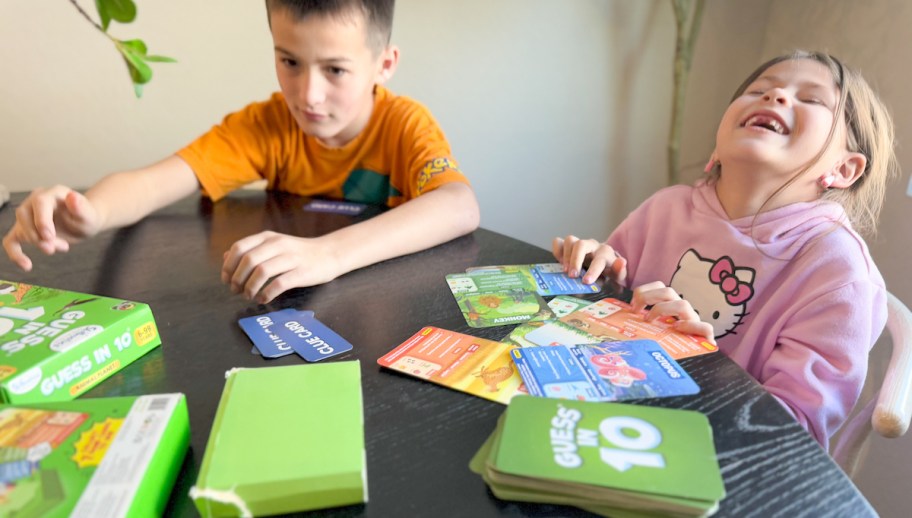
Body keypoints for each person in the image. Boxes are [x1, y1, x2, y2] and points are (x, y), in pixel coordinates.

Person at [2, 0, 480, 304]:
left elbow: (458, 205)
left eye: (334, 70)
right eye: (289, 61)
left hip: (389, 308)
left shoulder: (403, 125)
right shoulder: (267, 124)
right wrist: (88, 211)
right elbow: (155, 181)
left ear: (385, 64)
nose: (308, 95)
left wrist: (328, 255)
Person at [553, 50, 897, 447]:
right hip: (605, 413)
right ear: (717, 145)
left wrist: (698, 361)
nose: (777, 96)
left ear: (843, 169)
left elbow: (792, 434)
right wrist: (594, 270)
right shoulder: (665, 208)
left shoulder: (838, 273)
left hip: (713, 460)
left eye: (811, 98)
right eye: (759, 90)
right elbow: (597, 318)